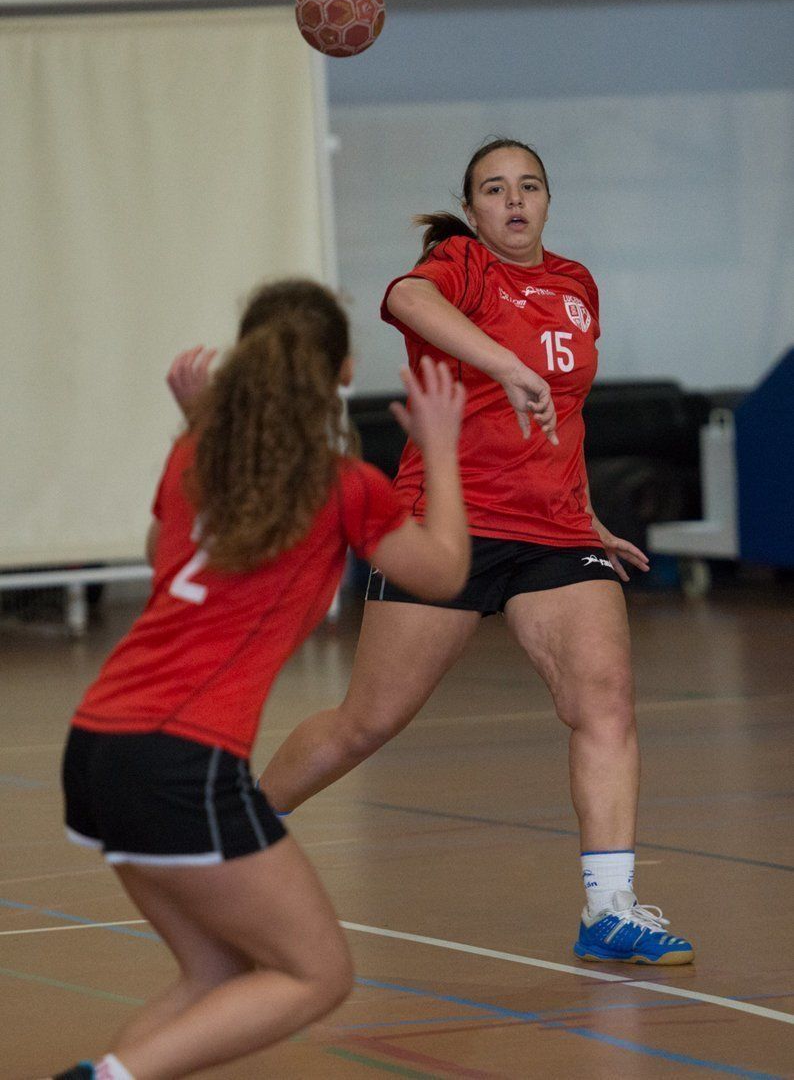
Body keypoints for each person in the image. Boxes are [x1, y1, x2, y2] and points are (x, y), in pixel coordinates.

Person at [253, 140, 694, 967]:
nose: (515, 201)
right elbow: (407, 298)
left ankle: (610, 909)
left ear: (549, 201)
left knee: (605, 699)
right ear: (474, 206)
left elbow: (566, 415)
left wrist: (587, 512)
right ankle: (232, 833)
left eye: (529, 186)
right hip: (448, 524)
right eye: (495, 190)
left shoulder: (576, 284)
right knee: (367, 722)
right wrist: (502, 361)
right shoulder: (457, 267)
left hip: (556, 530)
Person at [52, 279, 470, 1080]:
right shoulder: (344, 484)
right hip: (182, 756)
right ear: (342, 371)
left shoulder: (193, 456)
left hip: (99, 744)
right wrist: (443, 451)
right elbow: (445, 571)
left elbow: (162, 552)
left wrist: (199, 423)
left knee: (218, 975)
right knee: (318, 975)